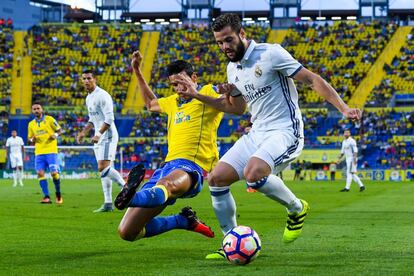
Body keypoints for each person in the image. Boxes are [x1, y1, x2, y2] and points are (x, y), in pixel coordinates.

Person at [176, 13, 362, 259]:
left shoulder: (271, 53)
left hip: (285, 130)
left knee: (255, 173)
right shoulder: (232, 68)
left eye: (229, 40)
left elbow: (312, 79)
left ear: (242, 34)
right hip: (258, 131)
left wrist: (344, 108)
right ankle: (230, 242)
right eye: (219, 43)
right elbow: (237, 109)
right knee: (217, 179)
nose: (224, 47)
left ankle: (297, 208)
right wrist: (202, 94)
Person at [114, 51, 233, 242]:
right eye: (174, 85)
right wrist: (136, 69)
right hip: (166, 167)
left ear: (194, 77)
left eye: (181, 82)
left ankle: (132, 197)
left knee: (166, 185)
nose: (178, 88)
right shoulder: (173, 102)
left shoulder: (208, 92)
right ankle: (182, 221)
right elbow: (151, 104)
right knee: (127, 232)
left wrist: (205, 92)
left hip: (191, 167)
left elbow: (230, 104)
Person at [77, 70, 126, 212]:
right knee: (104, 170)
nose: (86, 81)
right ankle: (108, 203)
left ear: (95, 79)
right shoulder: (88, 97)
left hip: (108, 135)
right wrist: (83, 132)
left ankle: (126, 188)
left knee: (102, 167)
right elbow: (92, 119)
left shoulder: (103, 96)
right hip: (98, 136)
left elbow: (110, 119)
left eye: (89, 78)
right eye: (84, 78)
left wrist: (98, 134)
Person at [28, 103, 63, 204]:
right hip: (39, 152)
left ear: (42, 110)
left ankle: (58, 193)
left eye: (38, 108)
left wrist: (55, 135)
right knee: (40, 173)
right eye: (34, 109)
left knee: (54, 173)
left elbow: (60, 130)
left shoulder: (49, 119)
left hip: (51, 151)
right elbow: (29, 138)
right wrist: (32, 139)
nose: (36, 110)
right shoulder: (31, 124)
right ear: (32, 111)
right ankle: (46, 196)